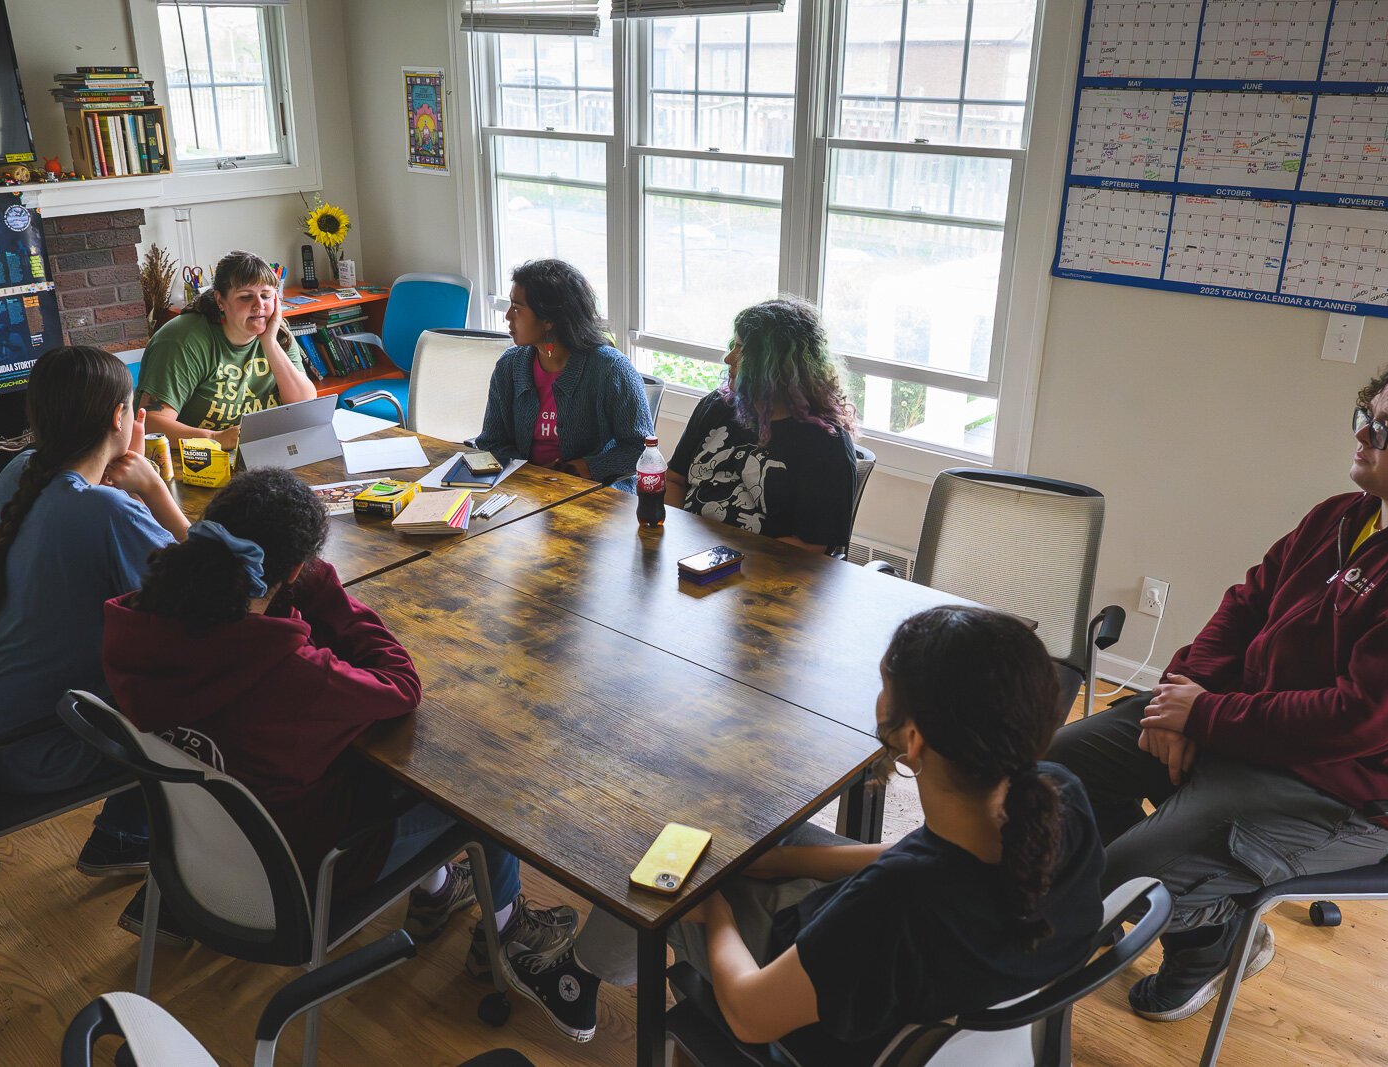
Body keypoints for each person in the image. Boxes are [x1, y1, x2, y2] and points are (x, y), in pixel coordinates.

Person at [1049, 346, 1388, 1022]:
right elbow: (1245, 604)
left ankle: (1207, 941)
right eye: (1364, 415)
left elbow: (1359, 719)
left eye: (1383, 429)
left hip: (1342, 788)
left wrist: (1204, 716)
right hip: (1250, 729)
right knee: (1054, 776)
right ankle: (1186, 911)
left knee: (1121, 880)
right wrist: (1181, 696)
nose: (1361, 434)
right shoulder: (1348, 514)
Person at [529, 605, 1104, 1054]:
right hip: (928, 985)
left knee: (662, 852)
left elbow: (751, 1015)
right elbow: (919, 853)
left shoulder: (898, 901)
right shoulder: (1059, 795)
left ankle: (577, 974)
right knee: (755, 829)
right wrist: (785, 861)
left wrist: (713, 909)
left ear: (914, 739)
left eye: (885, 686)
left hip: (812, 1005)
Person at [99, 468, 578, 956]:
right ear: (294, 570)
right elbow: (401, 685)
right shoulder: (291, 673)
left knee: (371, 761)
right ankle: (507, 932)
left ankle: (437, 892)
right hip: (302, 874)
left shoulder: (136, 628)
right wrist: (325, 589)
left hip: (200, 857)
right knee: (478, 783)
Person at [0, 345, 189, 876]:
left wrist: (118, 482)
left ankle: (127, 834)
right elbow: (212, 585)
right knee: (195, 681)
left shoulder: (19, 474)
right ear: (119, 417)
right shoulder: (102, 509)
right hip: (29, 750)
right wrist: (153, 488)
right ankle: (147, 848)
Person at [666, 298, 857, 553]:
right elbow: (674, 480)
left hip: (763, 570)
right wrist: (676, 541)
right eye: (733, 345)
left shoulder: (825, 444)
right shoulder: (717, 406)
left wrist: (729, 562)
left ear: (776, 366)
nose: (728, 358)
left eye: (742, 350)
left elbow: (809, 547)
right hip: (689, 555)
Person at [471, 259, 651, 490]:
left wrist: (585, 468)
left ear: (549, 319)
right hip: (525, 489)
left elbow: (643, 449)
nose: (507, 316)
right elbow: (491, 441)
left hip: (594, 492)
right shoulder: (510, 365)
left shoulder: (611, 369)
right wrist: (532, 474)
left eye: (516, 308)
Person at [136, 251, 317, 449]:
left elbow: (304, 405)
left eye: (266, 296)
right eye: (245, 297)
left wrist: (270, 343)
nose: (259, 305)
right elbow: (151, 425)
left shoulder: (277, 332)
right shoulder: (183, 340)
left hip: (259, 449)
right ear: (220, 301)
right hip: (192, 456)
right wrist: (216, 438)